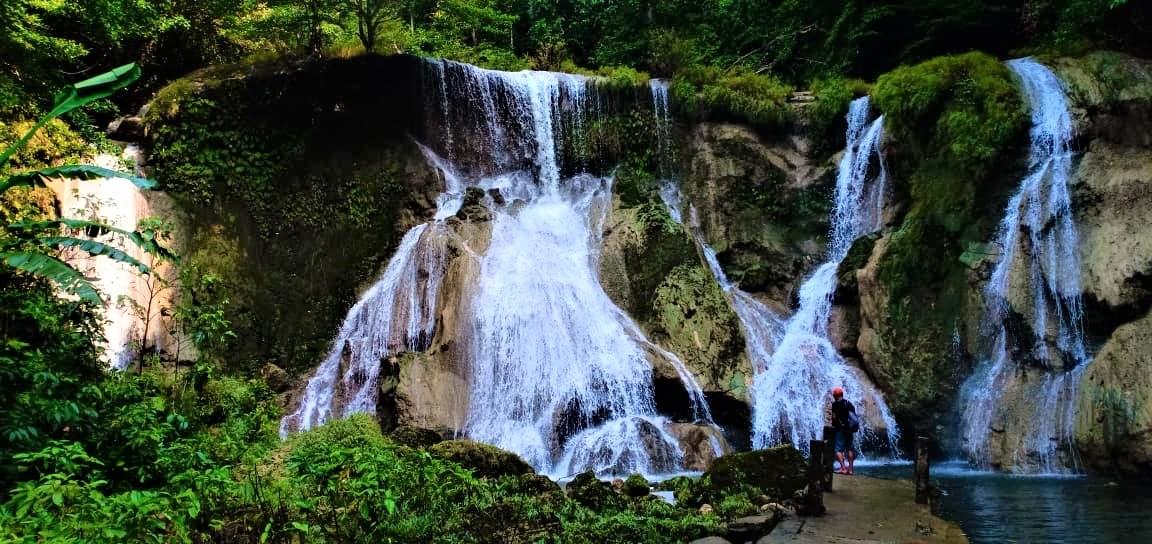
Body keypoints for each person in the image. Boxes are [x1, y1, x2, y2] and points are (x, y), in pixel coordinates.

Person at [829, 386, 857, 475]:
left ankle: (843, 468)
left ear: (834, 396)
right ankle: (851, 470)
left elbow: (834, 418)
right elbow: (854, 417)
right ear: (842, 394)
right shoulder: (849, 403)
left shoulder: (835, 404)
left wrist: (834, 426)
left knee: (838, 449)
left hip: (840, 429)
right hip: (849, 429)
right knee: (850, 448)